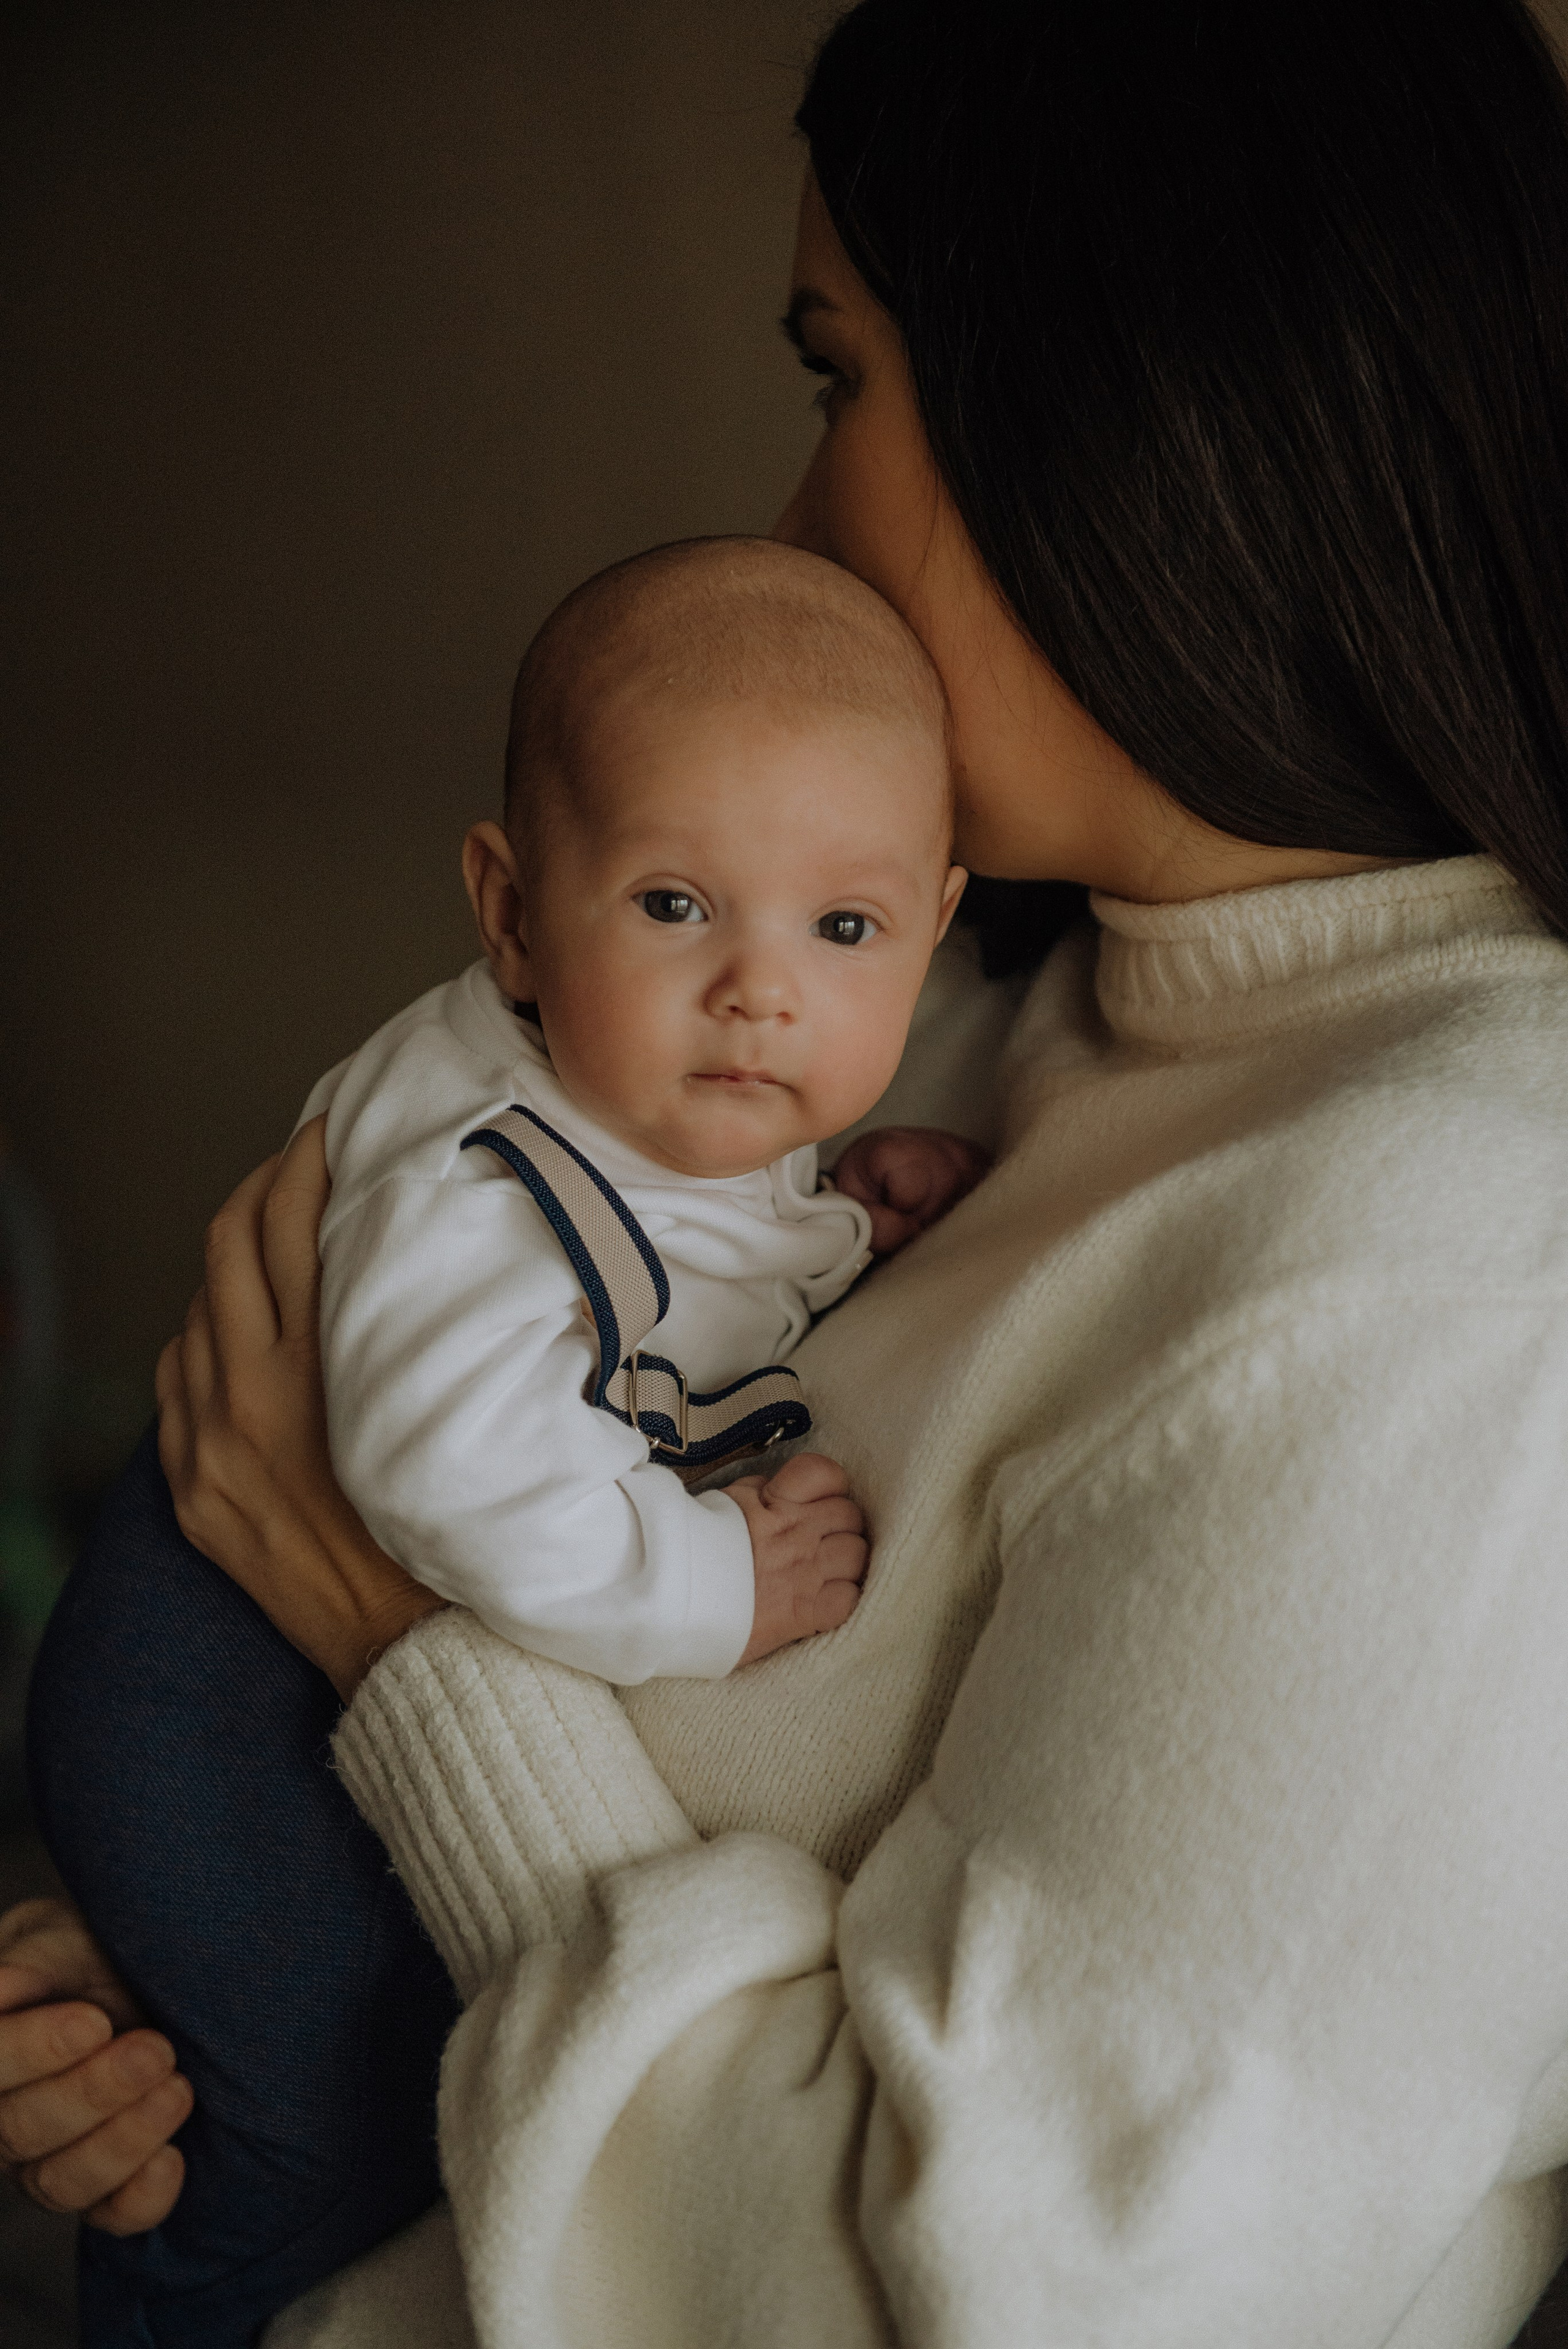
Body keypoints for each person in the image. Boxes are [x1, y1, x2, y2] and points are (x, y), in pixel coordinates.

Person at [10, 0, 1568, 2342]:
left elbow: (952, 2306)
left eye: (841, 376)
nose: (788, 519)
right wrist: (176, 1975)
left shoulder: (1453, 1297)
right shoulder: (1013, 990)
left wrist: (401, 1647)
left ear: (1121, 397)